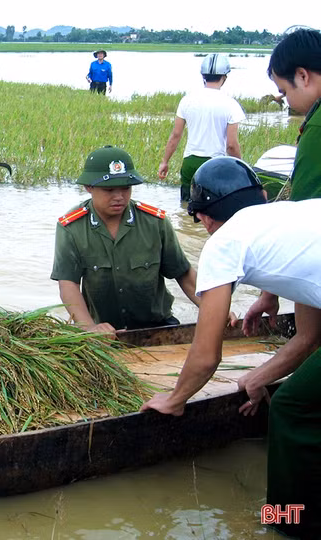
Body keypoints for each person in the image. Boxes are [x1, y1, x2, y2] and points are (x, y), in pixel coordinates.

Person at [141, 156, 321, 538]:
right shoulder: (292, 217)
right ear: (261, 195)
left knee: (291, 408)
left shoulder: (223, 243)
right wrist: (261, 374)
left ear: (204, 218)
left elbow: (206, 355)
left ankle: (289, 524)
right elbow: (308, 338)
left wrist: (174, 400)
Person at [51, 146, 199, 335]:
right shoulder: (71, 228)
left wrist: (215, 310)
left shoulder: (155, 222)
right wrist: (89, 328)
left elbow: (184, 274)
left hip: (157, 326)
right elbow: (68, 284)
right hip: (103, 332)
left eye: (125, 188)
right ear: (88, 187)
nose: (119, 197)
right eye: (109, 189)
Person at [243, 29, 321, 346]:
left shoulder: (316, 127)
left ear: (302, 76)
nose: (286, 100)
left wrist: (269, 294)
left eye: (283, 90)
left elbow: (301, 229)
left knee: (291, 398)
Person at [158, 53, 245, 200]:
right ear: (224, 77)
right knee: (211, 209)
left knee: (185, 207)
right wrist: (242, 168)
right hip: (215, 164)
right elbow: (231, 145)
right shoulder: (231, 104)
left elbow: (176, 135)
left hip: (189, 163)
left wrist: (165, 162)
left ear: (203, 76)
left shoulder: (187, 100)